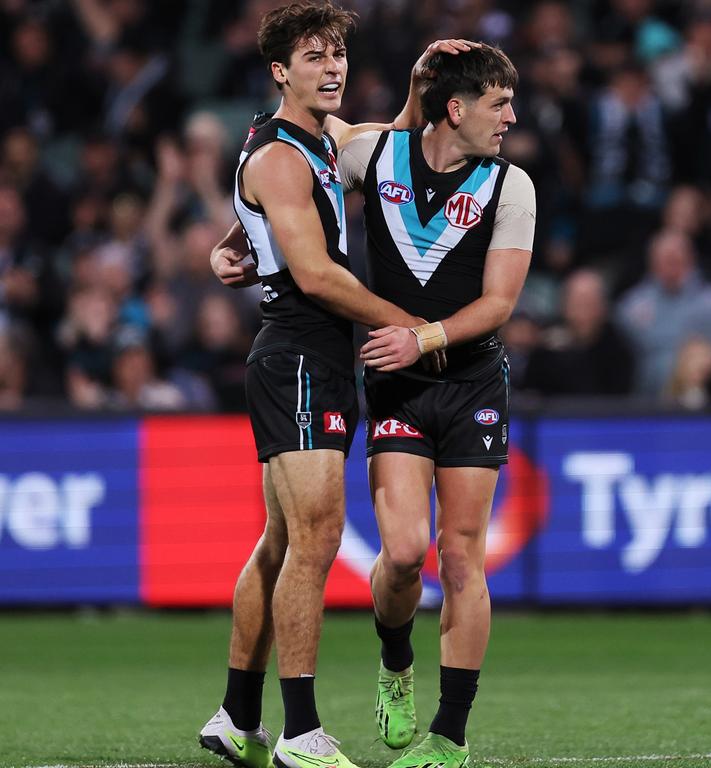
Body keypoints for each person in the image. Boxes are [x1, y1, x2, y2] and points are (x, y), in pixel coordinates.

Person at [197, 4, 476, 768]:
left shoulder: (319, 139)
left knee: (282, 541)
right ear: (280, 70)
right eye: (316, 56)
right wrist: (413, 325)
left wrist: (421, 90)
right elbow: (317, 273)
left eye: (340, 55)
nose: (334, 68)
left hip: (309, 354)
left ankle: (236, 716)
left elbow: (381, 144)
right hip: (297, 351)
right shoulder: (282, 156)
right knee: (316, 541)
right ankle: (301, 733)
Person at [344, 43, 535, 768]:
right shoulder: (378, 158)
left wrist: (419, 337)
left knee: (460, 560)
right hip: (398, 389)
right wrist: (237, 240)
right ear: (455, 109)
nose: (511, 118)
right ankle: (396, 665)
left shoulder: (511, 186)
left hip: (473, 384)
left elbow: (500, 303)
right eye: (498, 104)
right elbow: (293, 167)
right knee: (401, 555)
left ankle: (449, 739)